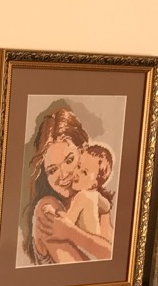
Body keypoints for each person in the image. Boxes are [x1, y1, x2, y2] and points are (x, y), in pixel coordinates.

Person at [19, 108, 113, 266]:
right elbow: (84, 271)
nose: (63, 175)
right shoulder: (47, 208)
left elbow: (113, 256)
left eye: (69, 160)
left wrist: (71, 232)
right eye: (52, 170)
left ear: (83, 152)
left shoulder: (93, 198)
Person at [62, 143, 115, 239]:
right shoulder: (96, 195)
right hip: (96, 239)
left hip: (85, 243)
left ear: (94, 184)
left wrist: (57, 214)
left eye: (84, 172)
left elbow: (68, 223)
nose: (77, 173)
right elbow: (107, 207)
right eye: (78, 166)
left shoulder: (82, 196)